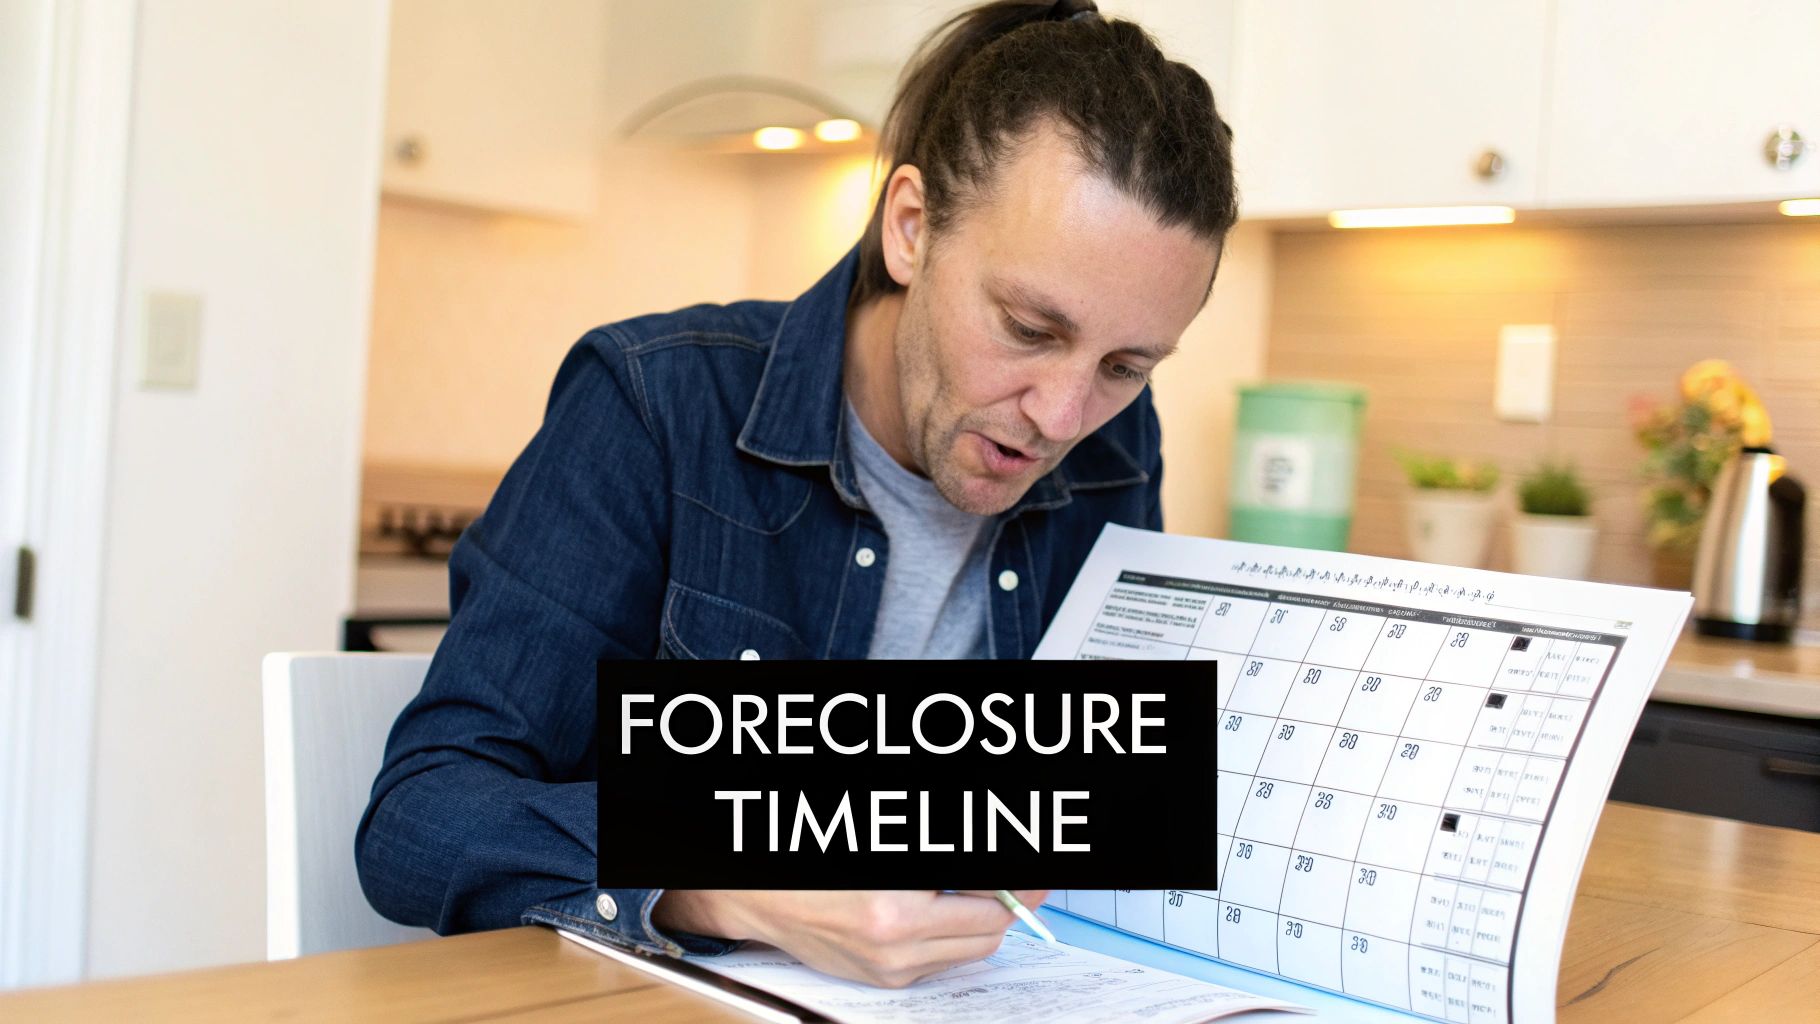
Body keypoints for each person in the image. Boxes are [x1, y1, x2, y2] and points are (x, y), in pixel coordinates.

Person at [356, 0, 1238, 989]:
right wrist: (725, 878)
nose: (1062, 414)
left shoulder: (1116, 447)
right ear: (910, 229)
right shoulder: (655, 404)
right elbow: (423, 812)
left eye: (1124, 364)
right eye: (1029, 328)